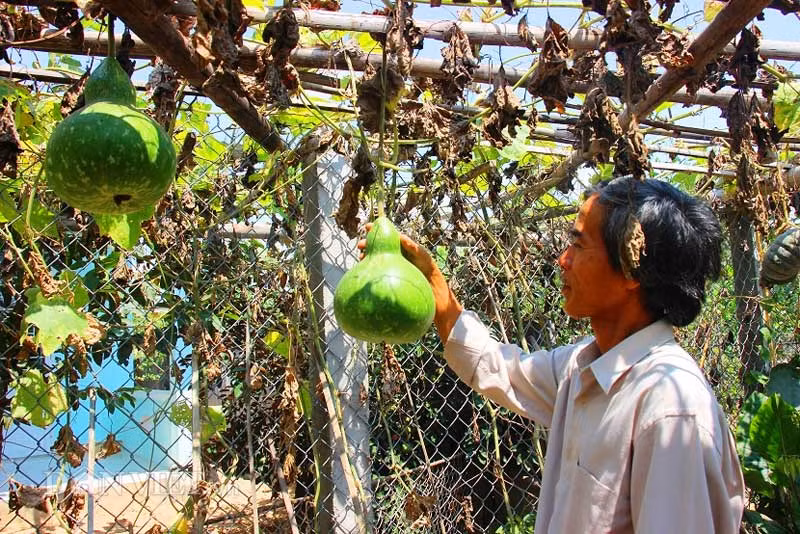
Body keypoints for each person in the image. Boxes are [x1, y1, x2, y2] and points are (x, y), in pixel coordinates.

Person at [360, 177, 744, 533]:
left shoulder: (670, 411)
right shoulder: (583, 366)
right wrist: (436, 288)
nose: (562, 259)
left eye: (577, 244)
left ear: (631, 270)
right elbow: (503, 370)